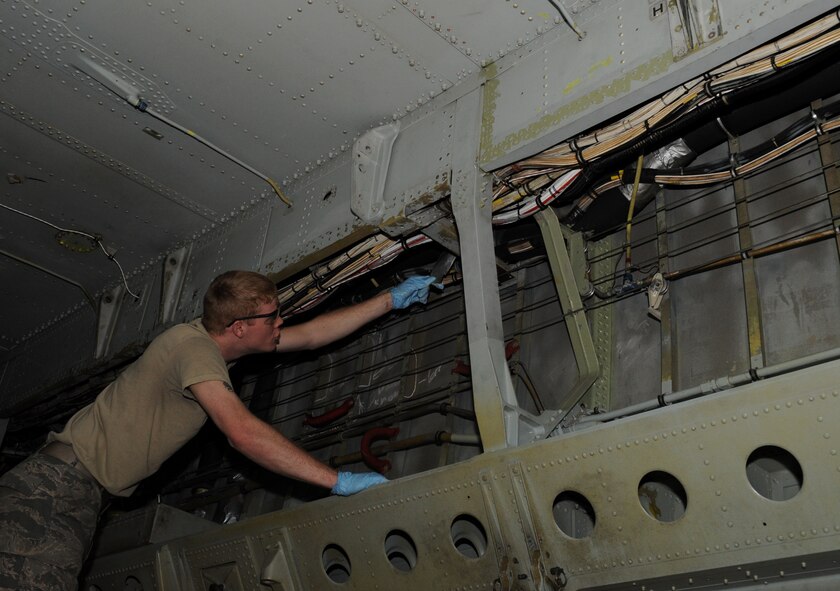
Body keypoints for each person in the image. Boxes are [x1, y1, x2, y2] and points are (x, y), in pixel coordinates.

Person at [0, 270, 440, 591]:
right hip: (55, 491)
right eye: (274, 318)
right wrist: (337, 481)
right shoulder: (193, 352)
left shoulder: (215, 343)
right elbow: (242, 432)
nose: (280, 323)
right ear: (240, 328)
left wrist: (390, 300)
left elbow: (308, 337)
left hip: (73, 489)